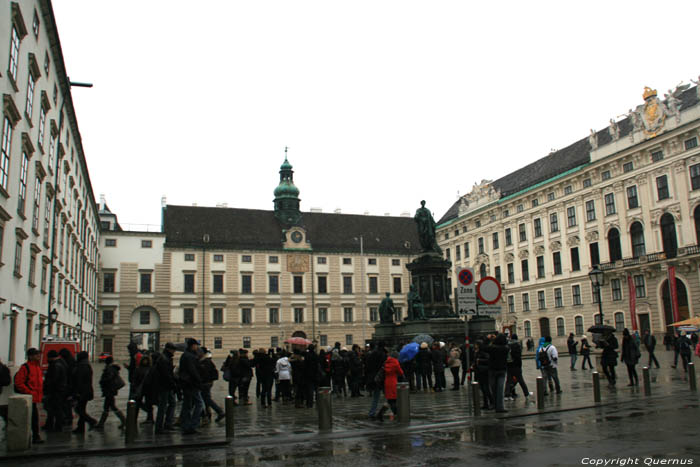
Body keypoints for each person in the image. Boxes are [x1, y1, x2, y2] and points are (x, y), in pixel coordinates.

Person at [14, 348, 44, 443]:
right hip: (28, 397)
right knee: (28, 419)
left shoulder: (37, 367)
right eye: (36, 355)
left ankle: (35, 436)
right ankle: (31, 437)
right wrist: (29, 392)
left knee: (35, 418)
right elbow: (19, 383)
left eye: (38, 354)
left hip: (35, 398)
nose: (38, 356)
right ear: (30, 356)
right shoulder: (25, 367)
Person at [178, 338, 204, 435]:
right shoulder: (190, 356)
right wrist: (199, 382)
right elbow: (193, 371)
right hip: (191, 384)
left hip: (186, 383)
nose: (197, 347)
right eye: (196, 345)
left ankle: (185, 425)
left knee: (187, 405)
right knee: (199, 404)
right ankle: (193, 425)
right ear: (192, 346)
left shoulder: (185, 355)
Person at [95, 356, 126, 430]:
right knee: (109, 406)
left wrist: (102, 381)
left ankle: (124, 421)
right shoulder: (112, 368)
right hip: (110, 390)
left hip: (109, 390)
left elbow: (109, 378)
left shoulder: (109, 369)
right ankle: (101, 423)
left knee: (110, 407)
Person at [154, 342, 177, 434]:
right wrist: (173, 384)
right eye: (173, 350)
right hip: (164, 386)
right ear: (168, 349)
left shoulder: (166, 358)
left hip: (166, 385)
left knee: (172, 403)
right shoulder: (164, 359)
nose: (174, 352)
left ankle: (168, 423)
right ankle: (159, 427)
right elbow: (166, 374)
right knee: (163, 407)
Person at [72, 351, 98, 433]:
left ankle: (91, 421)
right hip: (86, 391)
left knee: (79, 409)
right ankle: (80, 428)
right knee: (81, 409)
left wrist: (77, 392)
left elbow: (79, 381)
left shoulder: (82, 366)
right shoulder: (86, 365)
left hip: (82, 392)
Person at [43, 349, 69, 431]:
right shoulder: (62, 363)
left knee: (55, 408)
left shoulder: (56, 365)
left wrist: (47, 387)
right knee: (55, 408)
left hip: (56, 391)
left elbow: (53, 379)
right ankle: (51, 424)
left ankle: (57, 426)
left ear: (51, 357)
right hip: (61, 389)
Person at [375, 351, 404, 422]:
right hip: (393, 382)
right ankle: (396, 413)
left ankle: (380, 414)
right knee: (393, 400)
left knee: (390, 400)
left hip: (387, 382)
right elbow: (401, 372)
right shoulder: (396, 363)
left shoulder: (386, 362)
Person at [199, 347, 225, 422]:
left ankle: (218, 412)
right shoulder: (205, 361)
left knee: (205, 399)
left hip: (205, 383)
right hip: (207, 383)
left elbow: (207, 373)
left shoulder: (205, 362)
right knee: (205, 398)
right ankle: (208, 413)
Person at [485, 334, 509, 412]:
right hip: (502, 370)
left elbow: (484, 348)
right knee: (500, 389)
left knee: (493, 388)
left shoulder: (492, 348)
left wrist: (487, 339)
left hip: (492, 370)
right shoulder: (506, 348)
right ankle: (500, 407)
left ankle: (495, 404)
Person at [504, 333, 531, 400]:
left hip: (509, 365)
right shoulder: (517, 345)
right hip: (516, 365)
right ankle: (526, 394)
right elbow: (518, 357)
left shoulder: (507, 345)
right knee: (521, 380)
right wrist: (519, 365)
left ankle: (507, 395)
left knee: (508, 380)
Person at [365, 342, 387, 419]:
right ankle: (392, 411)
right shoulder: (383, 354)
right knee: (389, 396)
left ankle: (372, 412)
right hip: (381, 377)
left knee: (376, 396)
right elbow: (384, 366)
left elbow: (367, 366)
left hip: (373, 377)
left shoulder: (371, 354)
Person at [131, 355, 155, 424]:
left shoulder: (150, 369)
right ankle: (134, 418)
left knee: (148, 403)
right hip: (140, 389)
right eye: (144, 360)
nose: (145, 361)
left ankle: (150, 418)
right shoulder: (138, 369)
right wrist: (134, 387)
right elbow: (134, 379)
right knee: (138, 404)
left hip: (148, 389)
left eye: (146, 360)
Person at [473, 340, 493, 410]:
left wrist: (479, 360)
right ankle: (485, 404)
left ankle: (491, 402)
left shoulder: (483, 352)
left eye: (476, 344)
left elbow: (488, 360)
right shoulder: (477, 352)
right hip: (479, 372)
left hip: (484, 372)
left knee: (486, 388)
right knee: (482, 389)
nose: (475, 346)